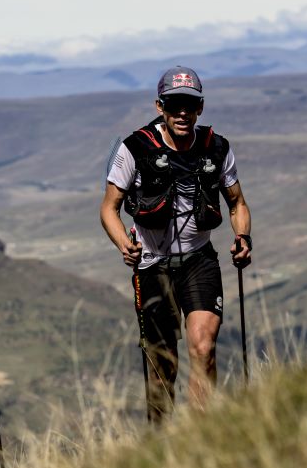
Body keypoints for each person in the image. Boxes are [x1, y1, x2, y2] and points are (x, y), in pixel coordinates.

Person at [100, 65, 251, 422]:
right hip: (152, 266)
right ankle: (161, 441)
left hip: (200, 260)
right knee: (163, 366)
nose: (182, 112)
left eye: (189, 104)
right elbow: (109, 208)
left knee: (204, 347)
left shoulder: (216, 148)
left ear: (200, 107)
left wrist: (242, 237)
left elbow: (237, 203)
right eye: (174, 104)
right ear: (159, 107)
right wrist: (124, 243)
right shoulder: (135, 148)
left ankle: (201, 434)